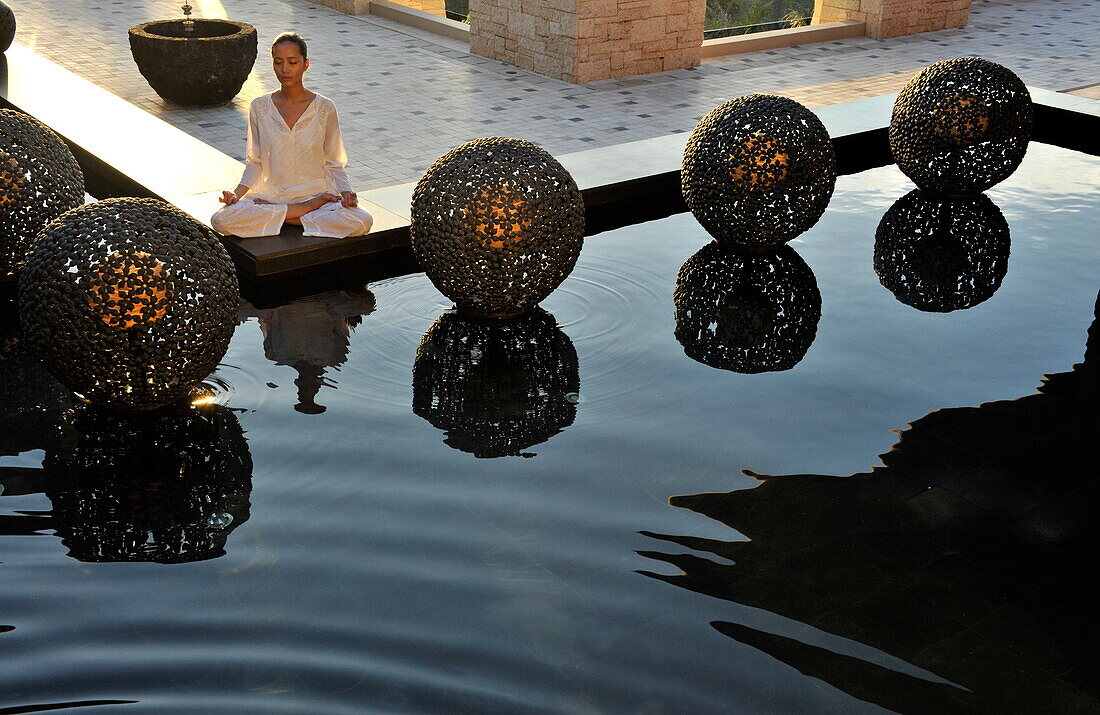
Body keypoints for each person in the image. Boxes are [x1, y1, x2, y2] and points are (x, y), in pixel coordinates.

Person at [211, 32, 373, 239]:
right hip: (272, 196)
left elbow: (334, 163)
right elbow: (255, 161)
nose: (285, 69)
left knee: (361, 221)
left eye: (292, 62)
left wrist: (346, 194)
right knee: (221, 220)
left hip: (315, 194)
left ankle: (282, 217)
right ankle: (299, 215)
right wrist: (237, 194)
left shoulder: (324, 108)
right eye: (278, 62)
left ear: (306, 64)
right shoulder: (259, 107)